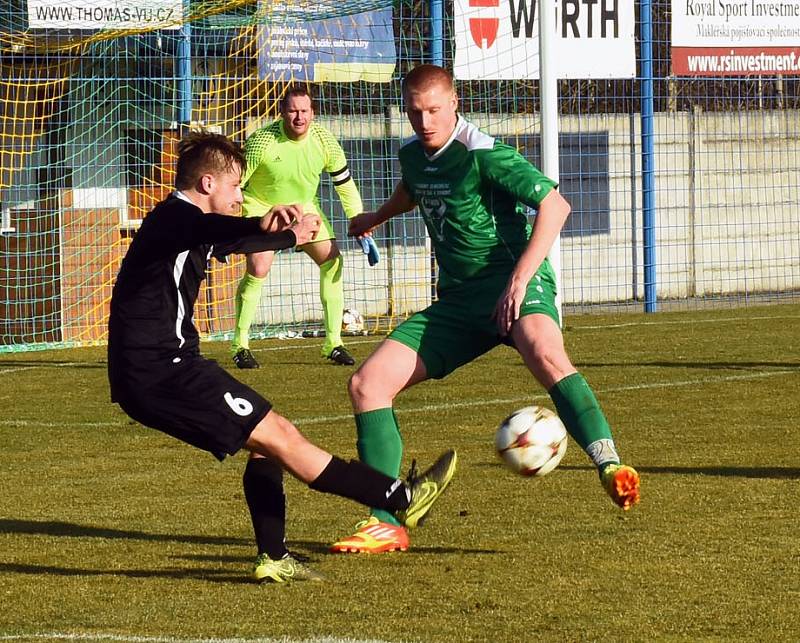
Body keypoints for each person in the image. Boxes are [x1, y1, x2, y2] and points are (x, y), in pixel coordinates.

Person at [107, 130, 457, 582]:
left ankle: (273, 557)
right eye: (236, 187)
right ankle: (403, 498)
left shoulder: (184, 223)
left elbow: (229, 239)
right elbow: (221, 230)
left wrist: (271, 228)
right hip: (163, 372)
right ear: (208, 184)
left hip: (155, 372)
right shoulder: (177, 218)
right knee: (285, 438)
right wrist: (285, 234)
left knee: (266, 446)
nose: (241, 196)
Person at [331, 65, 640, 555]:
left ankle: (609, 464)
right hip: (460, 300)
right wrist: (376, 216)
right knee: (367, 384)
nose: (425, 121)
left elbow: (556, 206)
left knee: (544, 351)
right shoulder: (413, 153)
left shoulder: (484, 153)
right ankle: (385, 518)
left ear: (455, 103)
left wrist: (519, 279)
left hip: (515, 284)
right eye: (415, 112)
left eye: (434, 110)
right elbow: (415, 190)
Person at [230, 84, 367, 369]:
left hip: (304, 209)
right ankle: (240, 345)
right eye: (293, 111)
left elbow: (344, 184)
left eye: (304, 111)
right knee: (259, 268)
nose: (299, 117)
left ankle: (334, 343)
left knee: (332, 262)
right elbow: (236, 184)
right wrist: (230, 223)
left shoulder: (325, 141)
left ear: (313, 113)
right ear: (282, 113)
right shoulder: (261, 142)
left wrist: (359, 218)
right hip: (263, 209)